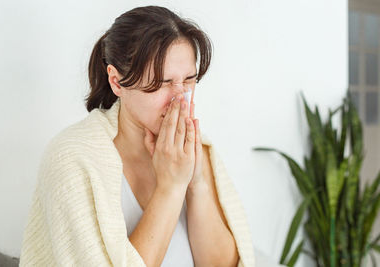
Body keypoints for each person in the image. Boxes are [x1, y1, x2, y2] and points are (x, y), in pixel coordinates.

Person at [19, 5, 255, 267]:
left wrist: (196, 183)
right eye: (162, 83)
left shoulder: (194, 147)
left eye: (188, 80)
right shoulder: (71, 160)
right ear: (117, 81)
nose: (179, 98)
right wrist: (171, 187)